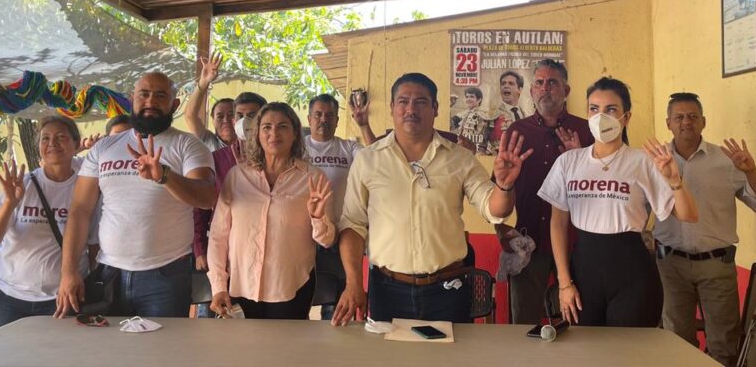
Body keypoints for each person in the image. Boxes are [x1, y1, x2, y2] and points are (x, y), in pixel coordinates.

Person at [331, 72, 531, 326]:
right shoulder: (367, 160)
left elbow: (494, 209)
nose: (411, 109)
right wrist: (353, 284)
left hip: (448, 291)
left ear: (435, 108)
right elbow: (353, 225)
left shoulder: (460, 159)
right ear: (392, 108)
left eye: (421, 102)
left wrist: (504, 184)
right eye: (403, 101)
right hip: (387, 290)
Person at [538, 77, 699, 328]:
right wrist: (564, 283)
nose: (601, 117)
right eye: (594, 109)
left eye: (611, 109)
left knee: (629, 349)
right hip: (584, 271)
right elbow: (558, 223)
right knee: (584, 346)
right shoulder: (569, 162)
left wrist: (675, 179)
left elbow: (689, 215)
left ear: (627, 117)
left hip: (632, 273)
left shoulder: (643, 161)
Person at [55, 71, 216, 319]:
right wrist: (68, 272)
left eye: (160, 96)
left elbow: (206, 196)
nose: (151, 101)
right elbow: (80, 211)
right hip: (110, 273)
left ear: (174, 104)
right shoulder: (105, 147)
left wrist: (164, 176)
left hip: (166, 276)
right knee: (108, 344)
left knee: (162, 344)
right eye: (144, 94)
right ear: (132, 99)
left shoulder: (189, 145)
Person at [654, 93, 756, 367]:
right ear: (668, 123)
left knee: (723, 342)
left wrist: (751, 171)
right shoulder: (655, 161)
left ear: (703, 122)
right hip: (671, 265)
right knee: (676, 342)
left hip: (716, 265)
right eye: (679, 117)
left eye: (692, 116)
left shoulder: (726, 161)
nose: (686, 122)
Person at [208, 103, 335, 319]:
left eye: (282, 126)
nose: (274, 133)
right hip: (241, 287)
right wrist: (218, 286)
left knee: (286, 343)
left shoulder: (313, 178)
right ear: (257, 134)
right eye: (266, 127)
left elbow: (327, 240)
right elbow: (219, 235)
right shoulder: (237, 176)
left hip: (290, 287)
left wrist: (317, 217)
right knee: (240, 342)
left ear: (295, 134)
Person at [0, 116, 99, 329]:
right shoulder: (21, 185)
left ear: (76, 144)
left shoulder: (87, 188)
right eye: (45, 138)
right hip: (9, 298)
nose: (52, 143)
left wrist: (92, 283)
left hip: (64, 297)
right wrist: (9, 203)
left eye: (61, 137)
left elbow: (93, 244)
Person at [496, 59, 592, 325]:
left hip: (577, 245)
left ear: (566, 90)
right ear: (531, 91)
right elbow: (502, 186)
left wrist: (581, 162)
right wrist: (500, 228)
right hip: (529, 244)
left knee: (581, 325)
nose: (545, 88)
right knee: (524, 324)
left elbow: (603, 189)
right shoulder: (517, 132)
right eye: (539, 83)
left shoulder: (586, 131)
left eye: (552, 82)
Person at [193, 91, 267, 275]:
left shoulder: (275, 159)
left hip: (264, 247)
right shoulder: (215, 159)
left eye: (252, 115)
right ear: (234, 121)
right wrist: (200, 248)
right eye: (240, 116)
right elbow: (200, 207)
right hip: (223, 249)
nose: (245, 121)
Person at [303, 94, 362, 319]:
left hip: (338, 240)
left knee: (334, 306)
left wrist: (364, 126)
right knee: (301, 300)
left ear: (337, 120)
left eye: (329, 115)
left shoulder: (348, 148)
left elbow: (375, 159)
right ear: (309, 118)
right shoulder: (296, 148)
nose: (323, 120)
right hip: (301, 238)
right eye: (318, 114)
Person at [183, 51, 235, 152]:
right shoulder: (207, 141)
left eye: (231, 114)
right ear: (213, 121)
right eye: (220, 116)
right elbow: (190, 115)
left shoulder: (250, 146)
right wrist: (204, 82)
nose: (226, 120)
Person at [488, 71, 526, 151]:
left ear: (519, 89)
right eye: (503, 83)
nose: (506, 86)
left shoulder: (526, 115)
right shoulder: (491, 115)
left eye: (511, 83)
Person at [453, 87, 491, 152]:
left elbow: (486, 136)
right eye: (467, 97)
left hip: (476, 149)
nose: (468, 99)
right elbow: (451, 125)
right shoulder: (463, 114)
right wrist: (451, 104)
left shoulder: (484, 115)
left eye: (472, 96)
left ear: (479, 100)